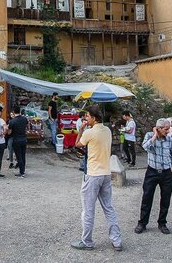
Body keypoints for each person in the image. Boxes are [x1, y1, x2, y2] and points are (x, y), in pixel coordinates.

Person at [72, 105, 122, 251]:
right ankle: (116, 240)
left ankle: (87, 241)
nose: (85, 118)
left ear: (93, 118)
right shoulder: (107, 130)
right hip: (106, 173)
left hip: (93, 174)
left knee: (88, 210)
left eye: (87, 116)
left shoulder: (89, 132)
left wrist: (81, 130)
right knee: (109, 208)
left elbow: (77, 145)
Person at [135, 118, 172, 235]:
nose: (168, 131)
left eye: (168, 129)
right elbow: (145, 147)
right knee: (147, 197)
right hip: (152, 172)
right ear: (158, 128)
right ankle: (142, 223)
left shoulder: (169, 139)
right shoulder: (149, 136)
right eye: (166, 129)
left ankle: (162, 223)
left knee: (166, 199)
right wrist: (155, 135)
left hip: (166, 173)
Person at [8, 108, 28, 177]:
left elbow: (9, 132)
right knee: (23, 156)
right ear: (19, 111)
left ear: (13, 112)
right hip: (24, 139)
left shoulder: (12, 121)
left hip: (16, 140)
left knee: (18, 156)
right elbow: (26, 127)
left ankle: (21, 172)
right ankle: (23, 170)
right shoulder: (24, 119)